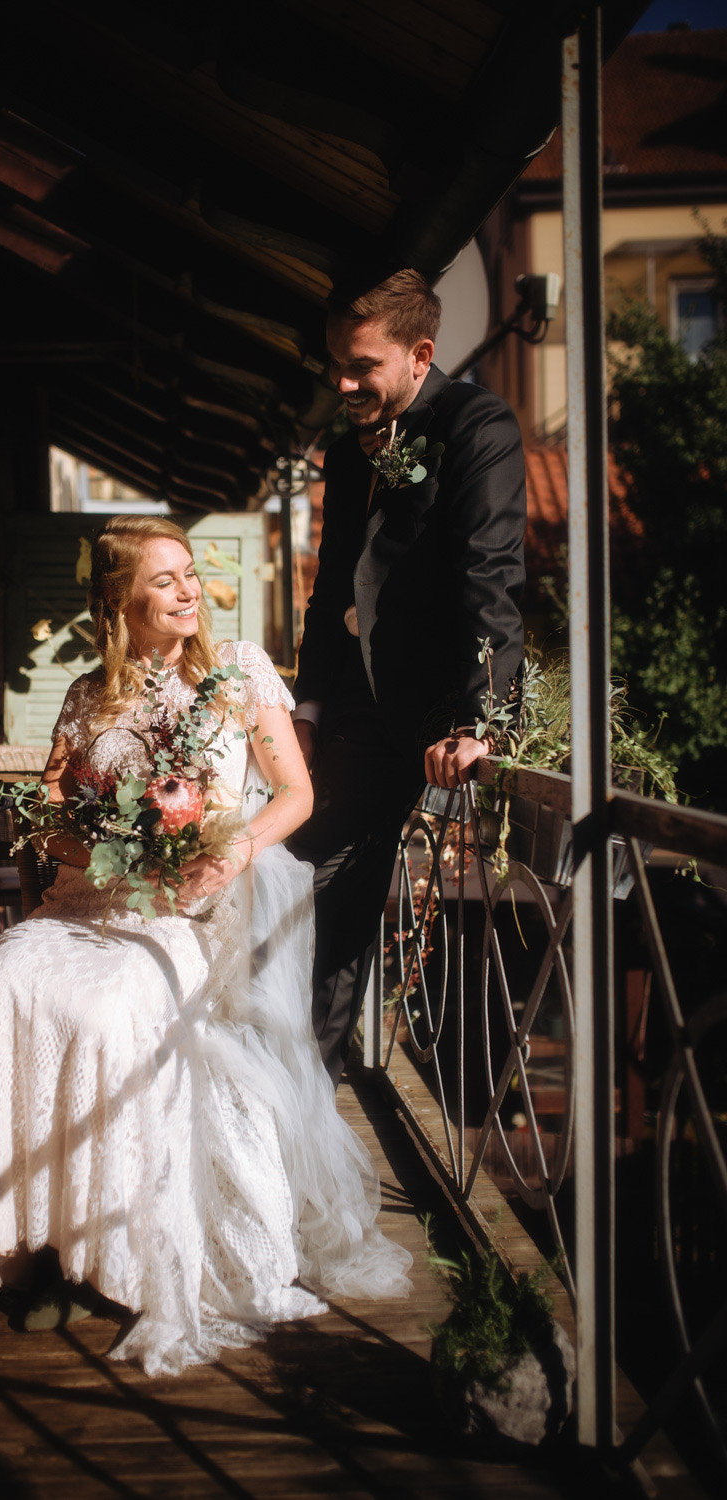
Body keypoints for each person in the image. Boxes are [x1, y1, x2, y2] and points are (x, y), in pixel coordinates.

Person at [0, 514, 411, 1377]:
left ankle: (111, 1254)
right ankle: (44, 1241)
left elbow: (295, 795)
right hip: (100, 898)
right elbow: (51, 819)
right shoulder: (90, 695)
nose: (189, 590)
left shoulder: (236, 672)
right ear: (118, 600)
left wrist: (231, 848)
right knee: (8, 973)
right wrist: (98, 853)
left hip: (200, 904)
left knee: (116, 1004)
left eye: (191, 574)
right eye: (164, 580)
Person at [291, 269, 526, 1087]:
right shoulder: (346, 449)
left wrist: (480, 722)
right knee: (310, 901)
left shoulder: (479, 427)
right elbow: (329, 586)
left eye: (360, 365)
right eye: (336, 362)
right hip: (352, 717)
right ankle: (303, 1093)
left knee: (358, 915)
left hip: (433, 722)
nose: (342, 382)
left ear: (421, 354)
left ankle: (322, 1093)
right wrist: (308, 705)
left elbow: (488, 575)